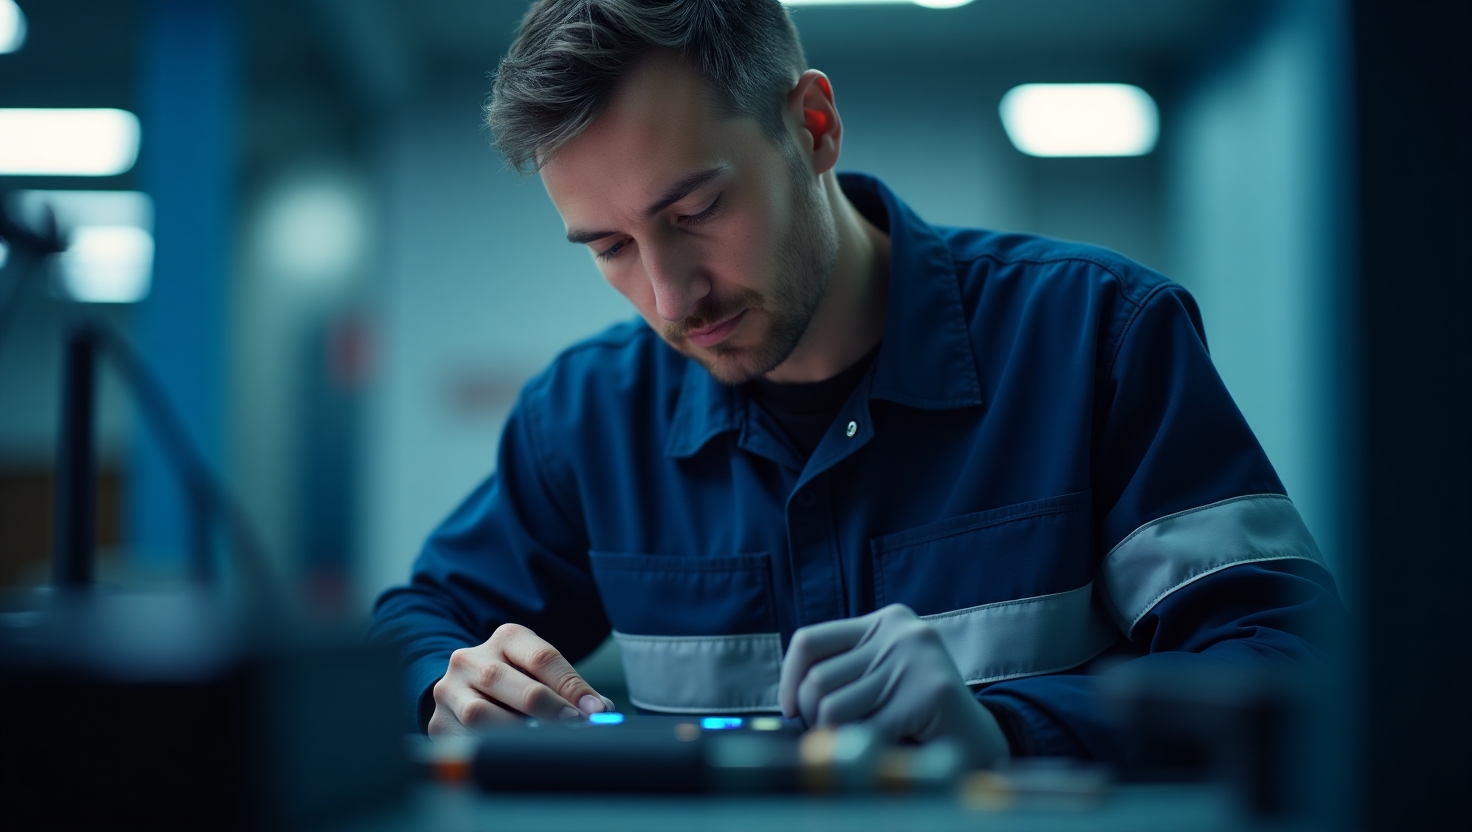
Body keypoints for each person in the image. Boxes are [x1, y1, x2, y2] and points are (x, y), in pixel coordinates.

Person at [369, 0, 1341, 766]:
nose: (668, 294)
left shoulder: (1097, 336)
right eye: (609, 246)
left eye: (697, 208)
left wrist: (1003, 726)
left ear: (814, 126)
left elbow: (1295, 669)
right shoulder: (583, 418)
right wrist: (444, 685)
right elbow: (417, 623)